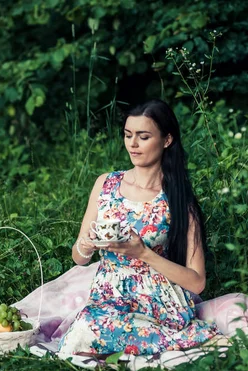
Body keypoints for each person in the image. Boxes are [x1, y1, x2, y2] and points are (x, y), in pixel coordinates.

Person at [57, 99, 225, 356]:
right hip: (109, 294)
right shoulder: (106, 184)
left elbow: (197, 281)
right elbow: (78, 258)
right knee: (84, 329)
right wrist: (86, 245)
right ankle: (179, 340)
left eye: (143, 137)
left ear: (166, 140)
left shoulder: (177, 199)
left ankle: (184, 336)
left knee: (94, 331)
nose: (132, 144)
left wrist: (144, 253)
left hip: (158, 297)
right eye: (128, 135)